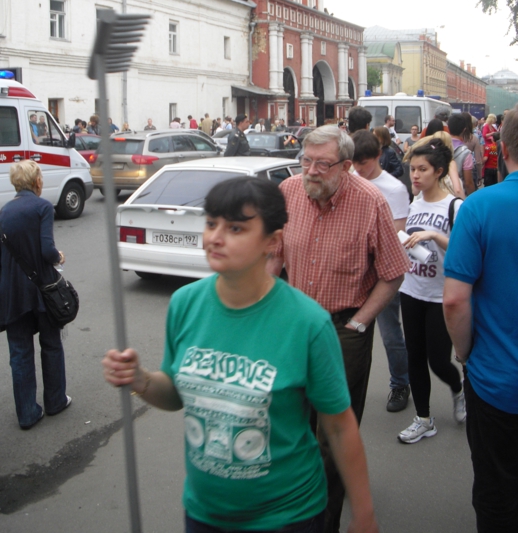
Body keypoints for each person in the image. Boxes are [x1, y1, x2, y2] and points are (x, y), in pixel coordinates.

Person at [103, 177, 379, 533]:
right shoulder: (185, 304)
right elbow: (174, 393)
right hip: (204, 514)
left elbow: (340, 428)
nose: (215, 237)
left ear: (272, 241)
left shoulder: (308, 323)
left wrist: (364, 512)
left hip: (287, 517)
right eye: (211, 223)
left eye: (235, 228)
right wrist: (140, 380)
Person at [268, 125, 408, 532]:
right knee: (290, 426)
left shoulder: (370, 203)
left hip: (343, 328)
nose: (310, 171)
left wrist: (361, 322)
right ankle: (290, 509)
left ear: (346, 167)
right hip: (294, 325)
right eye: (305, 161)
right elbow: (274, 257)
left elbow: (393, 273)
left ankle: (325, 521)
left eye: (322, 164)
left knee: (332, 437)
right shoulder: (290, 192)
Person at [443, 106, 518, 533]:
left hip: (497, 384)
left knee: (496, 495)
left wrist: (465, 351)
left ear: (502, 149)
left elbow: (454, 300)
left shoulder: (479, 209)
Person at [397, 139, 465, 444]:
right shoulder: (413, 204)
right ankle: (424, 419)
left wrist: (435, 235)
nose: (415, 175)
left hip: (440, 295)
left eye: (422, 169)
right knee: (415, 357)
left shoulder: (455, 206)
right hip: (412, 290)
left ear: (438, 171)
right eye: (412, 169)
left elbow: (464, 253)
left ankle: (459, 388)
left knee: (438, 361)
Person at [0, 161, 71, 429]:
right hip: (43, 291)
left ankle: (28, 413)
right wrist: (59, 256)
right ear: (36, 181)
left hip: (12, 294)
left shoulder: (3, 212)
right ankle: (55, 401)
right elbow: (47, 250)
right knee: (51, 345)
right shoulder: (42, 207)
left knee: (19, 353)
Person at [352, 130, 410, 413]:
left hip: (383, 274)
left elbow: (398, 234)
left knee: (389, 335)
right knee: (353, 336)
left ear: (378, 156)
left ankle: (400, 383)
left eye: (363, 163)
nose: (358, 169)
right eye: (354, 163)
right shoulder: (349, 181)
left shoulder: (394, 189)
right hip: (354, 272)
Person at [448, 114, 476, 195]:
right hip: (457, 195)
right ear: (464, 130)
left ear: (448, 128)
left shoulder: (439, 146)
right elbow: (468, 183)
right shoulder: (466, 153)